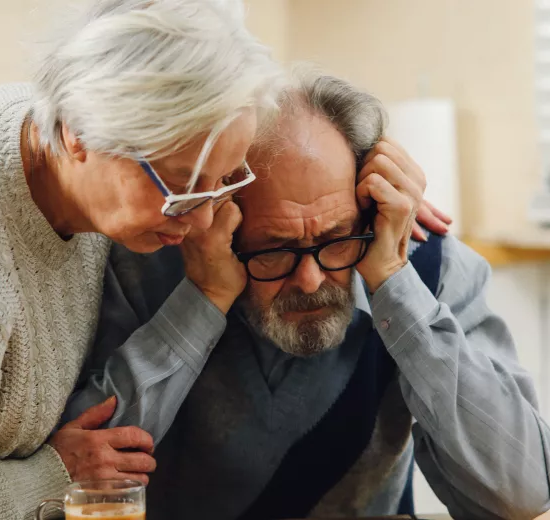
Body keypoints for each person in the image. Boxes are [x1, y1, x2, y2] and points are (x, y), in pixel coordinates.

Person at [0, 1, 288, 518]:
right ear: (79, 131)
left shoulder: (44, 138)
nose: (201, 220)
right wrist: (53, 476)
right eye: (181, 184)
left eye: (225, 178)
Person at [63, 67, 550, 519]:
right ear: (220, 215)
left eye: (336, 238)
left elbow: (520, 493)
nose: (311, 280)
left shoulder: (426, 266)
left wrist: (396, 287)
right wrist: (203, 298)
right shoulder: (146, 262)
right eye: (274, 249)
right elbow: (81, 479)